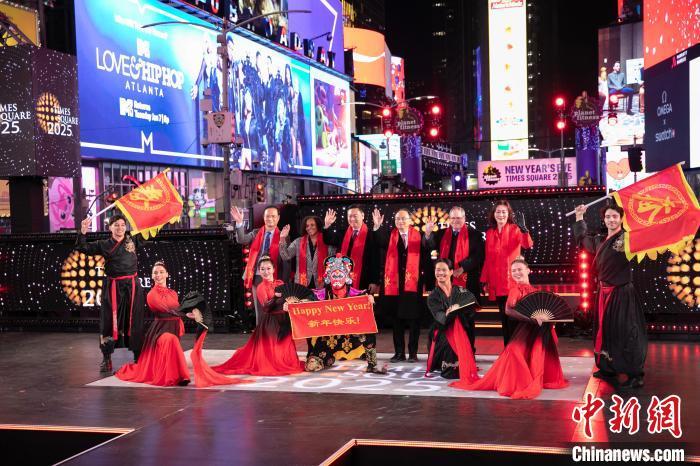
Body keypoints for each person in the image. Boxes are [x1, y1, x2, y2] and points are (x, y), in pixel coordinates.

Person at [457, 258, 569, 399]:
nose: (516, 273)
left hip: (538, 331)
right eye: (513, 271)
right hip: (525, 330)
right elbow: (508, 310)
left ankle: (535, 377)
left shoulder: (536, 291)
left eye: (519, 269)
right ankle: (520, 381)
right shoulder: (515, 290)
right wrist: (531, 319)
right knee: (515, 352)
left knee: (536, 353)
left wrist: (550, 320)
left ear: (528, 270)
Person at [573, 203, 647, 389]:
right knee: (604, 331)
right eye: (608, 217)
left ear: (621, 219)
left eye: (615, 216)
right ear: (604, 220)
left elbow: (647, 237)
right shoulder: (600, 240)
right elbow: (583, 239)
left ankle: (635, 374)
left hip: (621, 293)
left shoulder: (628, 239)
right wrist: (580, 217)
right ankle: (607, 368)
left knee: (627, 333)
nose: (611, 220)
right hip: (603, 293)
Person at [75, 215, 145, 372]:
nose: (120, 228)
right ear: (110, 228)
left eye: (122, 225)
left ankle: (138, 356)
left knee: (135, 320)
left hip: (132, 287)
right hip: (113, 287)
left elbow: (149, 233)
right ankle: (106, 358)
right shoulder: (104, 244)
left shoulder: (133, 240)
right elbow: (83, 248)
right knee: (108, 322)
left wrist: (153, 218)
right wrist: (83, 232)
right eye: (116, 225)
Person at [213, 256, 304, 376]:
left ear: (273, 269)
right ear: (259, 271)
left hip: (284, 320)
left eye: (268, 268)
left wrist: (290, 304)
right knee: (273, 348)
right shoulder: (261, 287)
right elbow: (266, 307)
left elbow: (288, 298)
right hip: (271, 322)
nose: (266, 272)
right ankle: (275, 364)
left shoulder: (280, 283)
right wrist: (275, 297)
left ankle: (285, 362)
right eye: (262, 269)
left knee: (285, 344)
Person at [115, 262, 199, 386]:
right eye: (155, 273)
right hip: (160, 331)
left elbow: (177, 308)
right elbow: (168, 309)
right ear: (152, 276)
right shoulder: (151, 295)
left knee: (172, 342)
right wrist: (186, 314)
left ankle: (173, 371)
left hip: (173, 328)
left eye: (161, 272)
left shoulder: (173, 293)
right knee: (170, 340)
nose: (158, 275)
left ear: (167, 274)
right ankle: (182, 376)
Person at [306, 255, 384, 373]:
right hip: (328, 336)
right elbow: (304, 303)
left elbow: (367, 302)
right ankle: (328, 358)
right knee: (311, 366)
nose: (337, 279)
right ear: (329, 277)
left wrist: (370, 299)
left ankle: (372, 364)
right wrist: (292, 304)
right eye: (334, 276)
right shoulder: (320, 294)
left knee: (367, 330)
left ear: (346, 277)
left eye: (340, 276)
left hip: (349, 336)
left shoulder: (356, 294)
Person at [424, 206, 484, 351]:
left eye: (459, 218)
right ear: (449, 219)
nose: (456, 221)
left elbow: (478, 256)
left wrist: (463, 268)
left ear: (464, 219)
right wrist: (428, 233)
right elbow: (430, 246)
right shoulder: (442, 233)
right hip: (446, 286)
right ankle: (448, 351)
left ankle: (468, 351)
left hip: (467, 284)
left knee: (467, 320)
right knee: (446, 319)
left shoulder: (475, 235)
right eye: (453, 218)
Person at [376, 209, 429, 363]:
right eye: (397, 219)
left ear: (410, 221)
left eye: (403, 219)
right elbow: (378, 241)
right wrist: (377, 227)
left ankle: (412, 353)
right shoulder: (390, 236)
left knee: (414, 321)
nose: (400, 221)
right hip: (395, 286)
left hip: (413, 284)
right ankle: (399, 352)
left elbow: (428, 253)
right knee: (396, 320)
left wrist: (427, 235)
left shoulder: (419, 236)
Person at [480, 200, 534, 345]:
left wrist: (524, 230)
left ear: (508, 214)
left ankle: (516, 352)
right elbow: (488, 258)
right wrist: (484, 280)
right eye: (498, 212)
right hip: (497, 283)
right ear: (493, 214)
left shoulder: (515, 229)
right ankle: (508, 352)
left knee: (514, 321)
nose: (501, 215)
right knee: (504, 321)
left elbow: (527, 244)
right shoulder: (490, 233)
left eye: (504, 212)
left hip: (512, 283)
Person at [425, 259, 479, 382]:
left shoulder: (461, 291)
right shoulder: (433, 296)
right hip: (443, 332)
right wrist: (452, 313)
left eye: (444, 270)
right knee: (451, 369)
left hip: (462, 330)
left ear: (451, 272)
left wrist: (458, 310)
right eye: (438, 270)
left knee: (467, 327)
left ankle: (467, 356)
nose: (440, 273)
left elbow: (472, 309)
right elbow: (441, 319)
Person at [229, 205, 286, 322]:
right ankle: (260, 331)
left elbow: (286, 260)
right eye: (267, 216)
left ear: (278, 218)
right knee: (260, 308)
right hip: (257, 276)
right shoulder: (256, 233)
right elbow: (242, 239)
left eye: (273, 216)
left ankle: (273, 332)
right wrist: (239, 223)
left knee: (276, 308)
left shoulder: (283, 236)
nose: (270, 219)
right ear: (263, 217)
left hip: (275, 277)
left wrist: (284, 279)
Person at [322, 205, 383, 294]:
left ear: (362, 216)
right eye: (350, 216)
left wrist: (374, 281)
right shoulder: (342, 233)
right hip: (342, 279)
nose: (352, 219)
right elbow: (328, 240)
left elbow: (375, 260)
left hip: (364, 279)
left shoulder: (371, 235)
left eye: (355, 216)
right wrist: (327, 225)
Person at [279, 215, 336, 289]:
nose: (309, 228)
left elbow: (332, 260)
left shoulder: (326, 241)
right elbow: (285, 256)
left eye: (312, 225)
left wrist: (327, 228)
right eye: (307, 226)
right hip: (301, 284)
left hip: (322, 283)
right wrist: (282, 238)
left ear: (318, 226)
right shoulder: (298, 242)